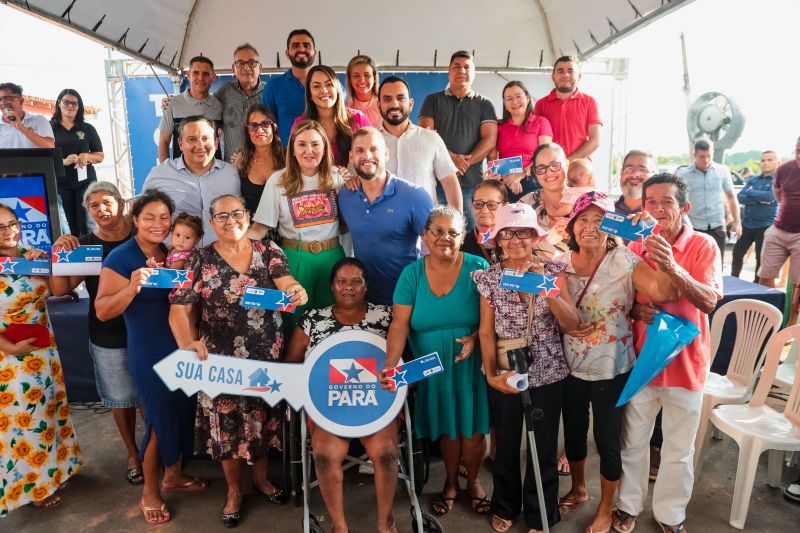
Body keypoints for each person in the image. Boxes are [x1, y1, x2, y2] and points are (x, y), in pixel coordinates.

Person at [170, 194, 306, 527]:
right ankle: (234, 491)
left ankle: (260, 480)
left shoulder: (269, 251)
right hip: (220, 362)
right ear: (212, 223)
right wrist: (186, 343)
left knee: (262, 422)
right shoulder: (199, 259)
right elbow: (180, 307)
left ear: (247, 216)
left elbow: (286, 282)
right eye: (222, 216)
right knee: (226, 428)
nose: (231, 221)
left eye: (237, 213)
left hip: (265, 359)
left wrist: (296, 290)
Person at [558, 191, 677, 533]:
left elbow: (664, 292)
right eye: (583, 219)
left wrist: (659, 245)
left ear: (612, 227)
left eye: (599, 220)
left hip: (612, 367)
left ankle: (606, 508)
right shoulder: (559, 263)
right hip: (569, 365)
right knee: (574, 434)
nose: (590, 227)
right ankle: (578, 490)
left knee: (608, 440)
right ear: (572, 225)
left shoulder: (625, 260)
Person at [613, 173, 722, 533]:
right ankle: (627, 506)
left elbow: (708, 301)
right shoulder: (635, 245)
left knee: (678, 448)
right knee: (633, 441)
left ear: (684, 207)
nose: (658, 209)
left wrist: (672, 266)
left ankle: (670, 515)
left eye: (667, 202)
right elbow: (622, 301)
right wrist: (636, 310)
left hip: (686, 364)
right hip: (642, 363)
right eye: (651, 202)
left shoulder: (703, 245)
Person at [95, 189, 207, 525]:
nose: (158, 224)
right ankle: (149, 493)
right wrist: (132, 287)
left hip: (180, 347)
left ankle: (173, 475)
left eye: (164, 217)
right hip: (148, 351)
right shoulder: (121, 258)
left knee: (181, 412)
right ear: (135, 219)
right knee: (159, 420)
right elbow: (102, 311)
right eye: (149, 217)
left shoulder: (172, 252)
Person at [472, 202, 580, 533]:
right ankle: (504, 504)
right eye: (508, 234)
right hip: (507, 371)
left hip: (548, 372)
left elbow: (572, 323)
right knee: (505, 445)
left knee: (544, 447)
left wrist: (544, 286)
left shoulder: (552, 271)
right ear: (498, 239)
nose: (516, 240)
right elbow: (486, 331)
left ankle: (541, 513)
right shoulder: (489, 278)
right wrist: (491, 375)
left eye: (523, 233)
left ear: (535, 236)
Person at [379, 205, 490, 517]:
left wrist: (475, 338)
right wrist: (391, 363)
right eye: (437, 231)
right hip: (431, 367)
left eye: (453, 232)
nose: (445, 237)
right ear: (425, 235)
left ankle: (474, 482)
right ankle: (451, 484)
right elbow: (399, 325)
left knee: (473, 433)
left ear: (463, 237)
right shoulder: (412, 274)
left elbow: (491, 321)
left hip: (470, 365)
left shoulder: (478, 267)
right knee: (447, 431)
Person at [286, 258, 396, 533]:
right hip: (329, 407)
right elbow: (291, 366)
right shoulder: (313, 320)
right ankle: (339, 526)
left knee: (385, 454)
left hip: (375, 406)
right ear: (332, 286)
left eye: (356, 281)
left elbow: (401, 364)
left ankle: (386, 522)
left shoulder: (385, 316)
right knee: (324, 455)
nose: (349, 287)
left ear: (366, 286)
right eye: (341, 282)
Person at [48, 181, 140, 486]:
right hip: (108, 333)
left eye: (106, 202)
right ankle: (133, 454)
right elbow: (60, 289)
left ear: (122, 204)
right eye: (94, 206)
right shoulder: (86, 246)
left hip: (148, 330)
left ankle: (160, 452)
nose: (101, 210)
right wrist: (59, 254)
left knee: (149, 398)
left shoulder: (143, 235)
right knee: (120, 399)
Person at [0, 203, 82, 514]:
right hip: (10, 359)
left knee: (51, 411)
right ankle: (34, 487)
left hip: (44, 351)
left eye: (12, 223)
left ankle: (57, 471)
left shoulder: (28, 254)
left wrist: (49, 261)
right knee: (24, 422)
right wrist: (10, 348)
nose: (9, 231)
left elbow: (58, 290)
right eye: (0, 227)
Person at [247, 120, 345, 322]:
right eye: (301, 144)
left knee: (332, 320)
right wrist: (227, 247)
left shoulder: (338, 177)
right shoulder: (278, 180)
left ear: (324, 148)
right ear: (292, 149)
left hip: (333, 258)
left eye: (315, 144)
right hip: (294, 260)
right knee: (294, 321)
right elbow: (259, 228)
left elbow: (351, 222)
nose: (309, 151)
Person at [338, 127, 434, 306]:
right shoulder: (345, 196)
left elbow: (436, 247)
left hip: (407, 301)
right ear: (351, 157)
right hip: (363, 302)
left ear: (386, 154)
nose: (367, 155)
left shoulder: (414, 196)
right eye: (360, 150)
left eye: (374, 149)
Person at [419, 51, 497, 229]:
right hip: (437, 183)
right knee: (437, 232)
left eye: (467, 67)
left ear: (474, 74)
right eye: (457, 66)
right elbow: (426, 136)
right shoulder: (432, 100)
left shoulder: (485, 104)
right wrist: (450, 159)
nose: (462, 70)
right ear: (449, 72)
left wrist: (463, 163)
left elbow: (490, 140)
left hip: (472, 185)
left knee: (469, 235)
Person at [143, 115, 241, 245]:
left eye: (205, 138)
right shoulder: (159, 174)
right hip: (176, 256)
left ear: (216, 143)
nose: (200, 146)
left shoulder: (232, 173)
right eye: (192, 139)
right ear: (180, 144)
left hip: (224, 254)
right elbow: (143, 216)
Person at [377, 76, 462, 210]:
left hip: (425, 221)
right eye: (387, 99)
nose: (394, 104)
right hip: (383, 220)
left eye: (400, 98)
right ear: (379, 105)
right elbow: (355, 181)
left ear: (411, 104)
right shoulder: (368, 141)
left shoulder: (431, 138)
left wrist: (458, 219)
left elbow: (449, 181)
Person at [291, 65, 371, 166]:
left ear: (337, 89)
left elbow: (373, 156)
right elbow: (294, 164)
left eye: (329, 84)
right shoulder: (300, 124)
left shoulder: (358, 119)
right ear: (310, 94)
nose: (324, 90)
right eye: (316, 86)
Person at [676, 139, 742, 262]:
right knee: (692, 263)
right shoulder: (683, 174)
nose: (706, 160)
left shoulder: (722, 171)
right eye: (702, 156)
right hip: (693, 227)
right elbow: (676, 200)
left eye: (709, 156)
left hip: (717, 226)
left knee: (717, 263)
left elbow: (731, 197)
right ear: (695, 155)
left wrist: (737, 222)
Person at [51, 89, 104, 236]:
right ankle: (74, 251)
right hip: (61, 184)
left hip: (85, 183)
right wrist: (63, 161)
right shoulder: (49, 128)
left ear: (79, 107)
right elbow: (45, 157)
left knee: (87, 224)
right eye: (66, 102)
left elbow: (100, 156)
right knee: (68, 227)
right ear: (59, 103)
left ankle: (90, 250)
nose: (70, 106)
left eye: (75, 103)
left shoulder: (88, 128)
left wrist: (87, 156)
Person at [490, 80, 552, 201]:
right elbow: (492, 158)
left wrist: (520, 175)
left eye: (518, 96)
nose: (514, 102)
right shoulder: (499, 126)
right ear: (505, 103)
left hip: (531, 177)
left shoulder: (541, 122)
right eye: (509, 98)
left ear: (528, 98)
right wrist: (507, 178)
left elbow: (545, 157)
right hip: (504, 179)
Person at [533, 56, 602, 161]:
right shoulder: (540, 104)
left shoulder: (590, 102)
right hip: (550, 167)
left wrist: (567, 162)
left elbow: (595, 140)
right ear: (553, 76)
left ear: (579, 76)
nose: (565, 75)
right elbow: (534, 139)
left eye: (570, 71)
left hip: (579, 167)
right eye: (560, 71)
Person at [158, 56, 223, 163]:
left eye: (205, 74)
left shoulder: (219, 105)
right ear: (188, 75)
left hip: (214, 171)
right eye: (196, 73)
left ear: (213, 77)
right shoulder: (172, 104)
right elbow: (164, 141)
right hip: (181, 172)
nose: (200, 78)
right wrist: (165, 170)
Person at [759, 137, 800, 298]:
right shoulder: (784, 169)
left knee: (797, 286)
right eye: (797, 151)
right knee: (764, 278)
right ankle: (768, 311)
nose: (799, 156)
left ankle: (792, 315)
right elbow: (778, 195)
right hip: (778, 230)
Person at [262, 29, 317, 147]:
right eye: (295, 46)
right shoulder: (273, 86)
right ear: (287, 53)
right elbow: (265, 127)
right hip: (286, 155)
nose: (302, 49)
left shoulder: (329, 86)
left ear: (315, 52)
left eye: (306, 45)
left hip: (323, 154)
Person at [520, 143, 573, 259]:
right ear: (535, 172)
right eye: (541, 168)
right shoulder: (525, 204)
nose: (548, 173)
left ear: (567, 165)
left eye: (554, 165)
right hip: (535, 269)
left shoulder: (585, 200)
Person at [731, 150, 779, 280]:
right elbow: (739, 197)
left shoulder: (778, 180)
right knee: (737, 253)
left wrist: (750, 193)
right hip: (747, 224)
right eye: (763, 160)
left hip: (765, 226)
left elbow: (770, 196)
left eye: (769, 160)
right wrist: (759, 199)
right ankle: (733, 280)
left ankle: (757, 285)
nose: (765, 163)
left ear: (777, 162)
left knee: (760, 258)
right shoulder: (753, 180)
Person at [214, 44, 266, 162]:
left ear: (260, 68)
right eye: (240, 63)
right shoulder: (225, 91)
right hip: (231, 165)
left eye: (252, 62)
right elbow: (209, 115)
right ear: (234, 68)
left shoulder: (269, 91)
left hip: (262, 164)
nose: (246, 68)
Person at [236, 104, 285, 215]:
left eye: (265, 124)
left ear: (274, 127)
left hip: (285, 224)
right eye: (253, 126)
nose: (260, 130)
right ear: (247, 131)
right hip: (252, 224)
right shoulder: (241, 159)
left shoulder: (288, 157)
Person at [461, 180, 509, 265]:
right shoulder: (461, 244)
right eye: (478, 204)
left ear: (505, 207)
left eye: (492, 204)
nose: (485, 210)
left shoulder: (515, 241)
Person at [0, 82, 55, 149]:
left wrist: (21, 127)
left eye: (6, 99)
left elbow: (50, 147)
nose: (2, 103)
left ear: (21, 101)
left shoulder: (39, 120)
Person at [615, 150, 655, 216]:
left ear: (653, 176)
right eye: (629, 169)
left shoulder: (660, 215)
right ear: (621, 174)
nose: (634, 175)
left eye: (642, 170)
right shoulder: (605, 211)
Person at [346, 55, 381, 126]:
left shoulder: (384, 104)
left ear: (374, 78)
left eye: (367, 75)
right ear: (350, 79)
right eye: (356, 76)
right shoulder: (343, 108)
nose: (362, 80)